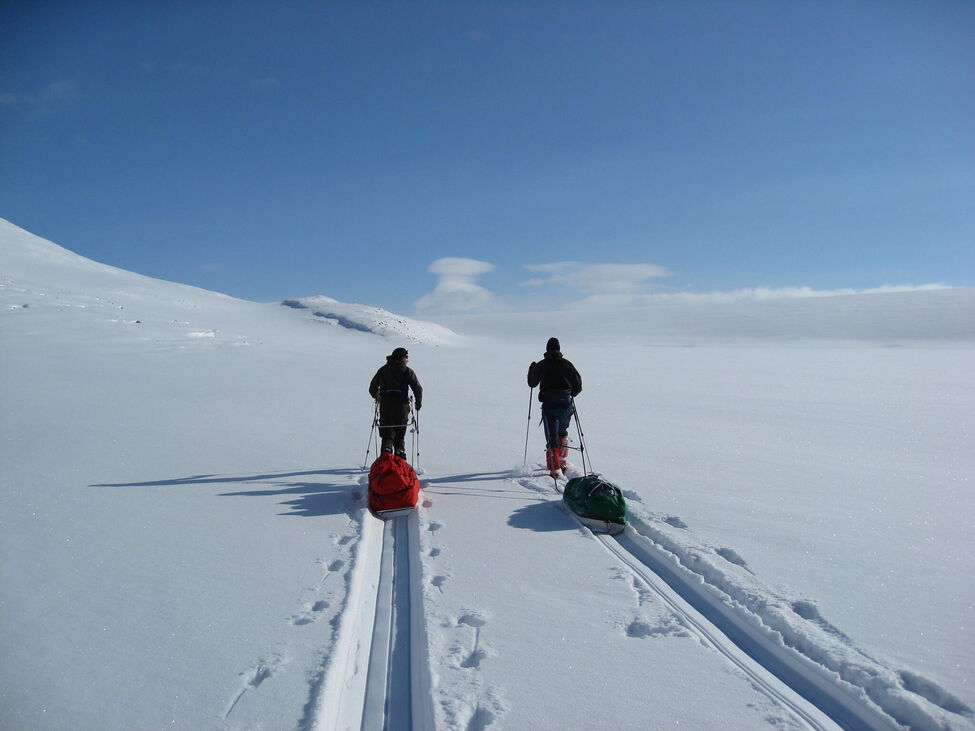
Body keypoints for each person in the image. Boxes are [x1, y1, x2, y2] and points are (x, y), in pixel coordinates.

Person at [527, 337, 582, 476]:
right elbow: (578, 385)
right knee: (562, 432)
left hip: (549, 405)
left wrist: (531, 371)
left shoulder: (542, 365)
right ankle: (562, 460)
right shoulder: (567, 364)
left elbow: (532, 384)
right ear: (558, 349)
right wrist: (570, 395)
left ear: (547, 349)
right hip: (565, 404)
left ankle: (555, 469)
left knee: (552, 437)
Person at [369, 347, 423, 459]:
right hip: (402, 407)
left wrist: (377, 396)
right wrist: (418, 403)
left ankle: (385, 462)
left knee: (387, 435)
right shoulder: (407, 371)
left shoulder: (383, 370)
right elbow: (418, 389)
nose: (408, 359)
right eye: (406, 357)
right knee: (399, 436)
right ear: (402, 357)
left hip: (386, 406)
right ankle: (400, 462)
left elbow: (372, 388)